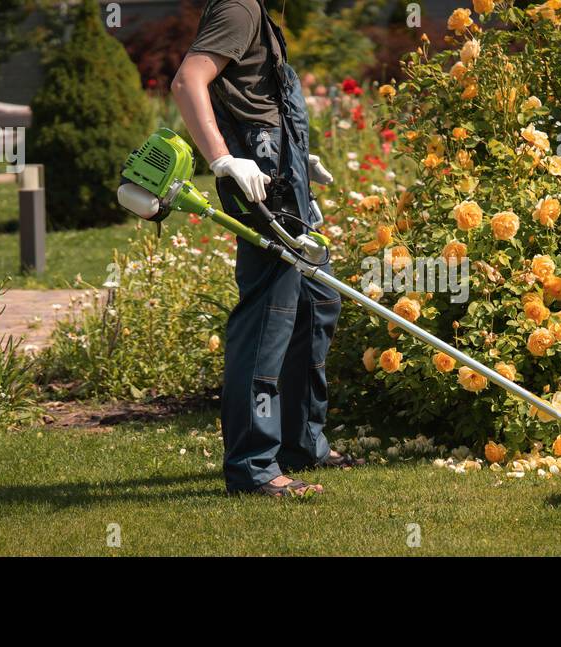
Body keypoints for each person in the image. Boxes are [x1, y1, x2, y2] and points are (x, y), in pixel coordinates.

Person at [171, 0, 362, 497]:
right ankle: (254, 468)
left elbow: (255, 93)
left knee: (317, 302)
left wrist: (300, 157)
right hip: (257, 175)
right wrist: (222, 161)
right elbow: (188, 82)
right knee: (269, 315)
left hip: (280, 167)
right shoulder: (238, 8)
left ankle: (301, 442)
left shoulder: (258, 10)